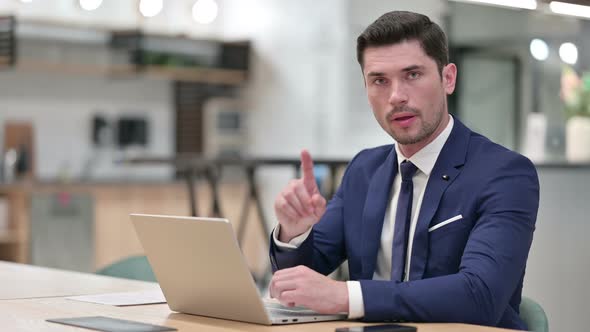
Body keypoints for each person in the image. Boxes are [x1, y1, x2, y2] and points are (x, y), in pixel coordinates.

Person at [268, 10, 539, 330]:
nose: (396, 96)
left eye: (412, 75)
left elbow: (479, 295)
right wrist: (294, 233)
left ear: (448, 78)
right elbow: (299, 282)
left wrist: (348, 296)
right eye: (379, 80)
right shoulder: (364, 170)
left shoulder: (505, 174)